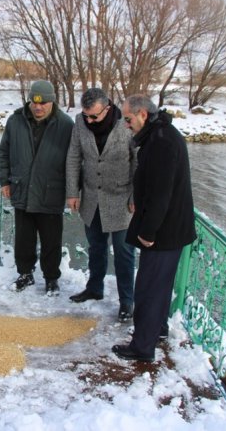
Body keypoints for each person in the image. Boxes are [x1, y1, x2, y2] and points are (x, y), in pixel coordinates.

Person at [112, 94, 196, 362]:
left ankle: (142, 347)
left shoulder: (160, 142)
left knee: (148, 288)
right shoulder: (162, 135)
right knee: (159, 286)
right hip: (171, 228)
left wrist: (148, 232)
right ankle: (157, 330)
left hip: (163, 232)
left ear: (143, 115)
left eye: (128, 119)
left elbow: (161, 194)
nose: (126, 125)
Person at [65, 88, 137, 321]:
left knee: (124, 253)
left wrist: (136, 196)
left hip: (121, 199)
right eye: (86, 115)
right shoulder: (80, 122)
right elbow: (74, 156)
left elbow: (138, 160)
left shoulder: (126, 124)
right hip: (91, 197)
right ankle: (94, 288)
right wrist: (72, 192)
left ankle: (127, 301)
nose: (89, 120)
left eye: (94, 116)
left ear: (107, 108)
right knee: (95, 247)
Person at [0, 80, 74, 296]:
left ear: (52, 102)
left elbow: (74, 160)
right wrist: (5, 180)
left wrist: (72, 191)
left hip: (51, 192)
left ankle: (51, 279)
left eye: (44, 103)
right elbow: (4, 152)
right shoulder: (15, 121)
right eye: (34, 103)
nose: (38, 107)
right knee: (24, 238)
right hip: (22, 189)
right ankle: (25, 274)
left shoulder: (66, 125)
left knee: (51, 240)